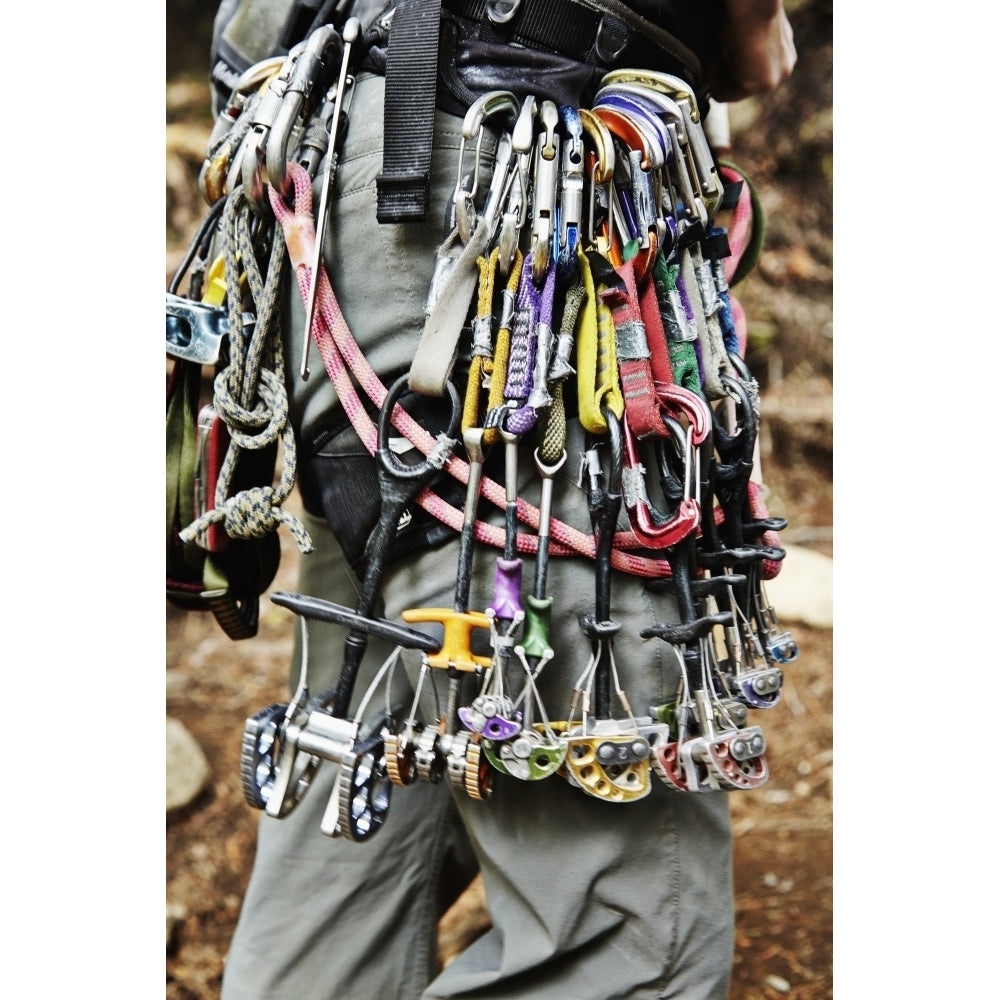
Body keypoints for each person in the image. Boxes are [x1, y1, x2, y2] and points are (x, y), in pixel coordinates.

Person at [200, 3, 797, 998]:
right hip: (514, 191)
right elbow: (755, 55)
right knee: (619, 936)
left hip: (331, 199)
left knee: (370, 745)